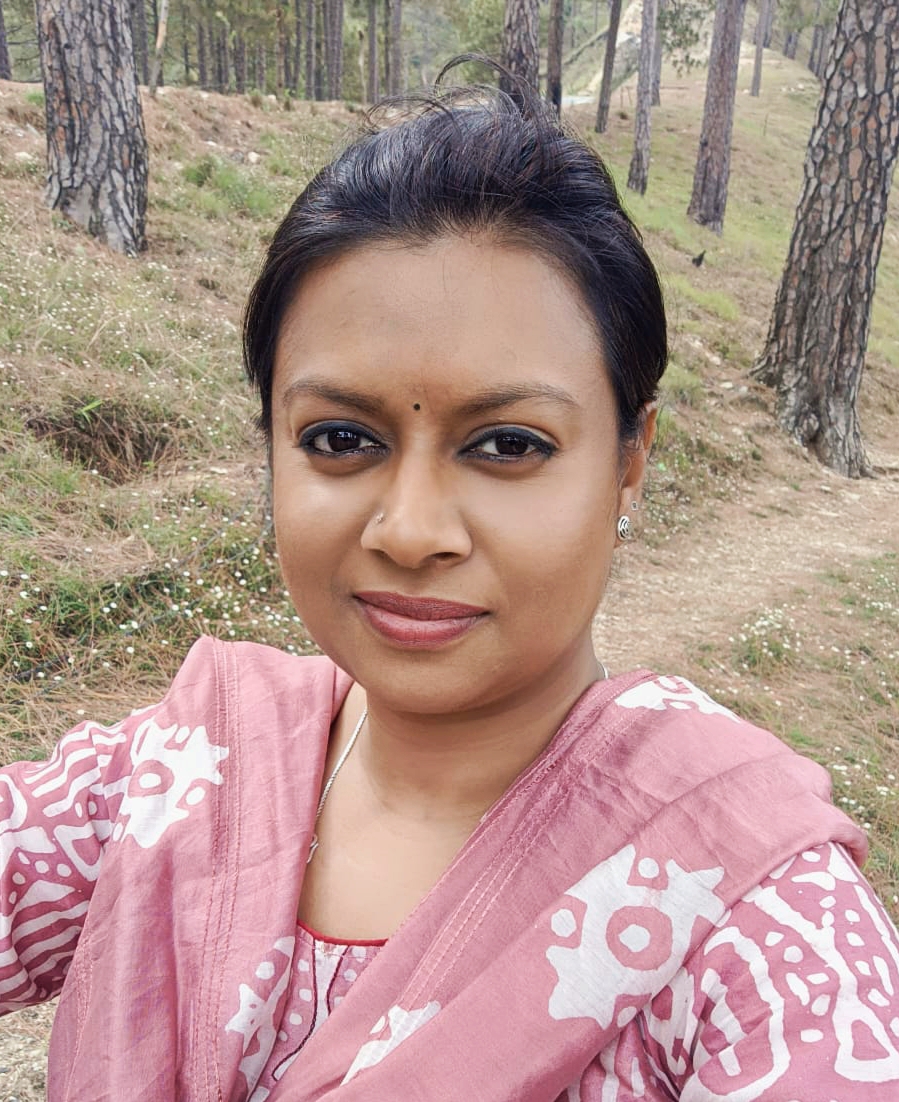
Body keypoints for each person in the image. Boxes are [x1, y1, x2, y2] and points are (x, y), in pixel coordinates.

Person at [2, 70, 899, 1101]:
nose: (411, 531)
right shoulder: (171, 782)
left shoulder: (757, 926)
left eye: (507, 444)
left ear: (628, 463)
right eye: (341, 439)